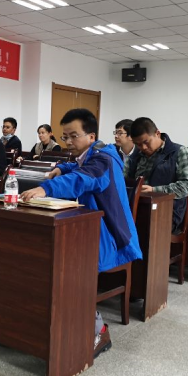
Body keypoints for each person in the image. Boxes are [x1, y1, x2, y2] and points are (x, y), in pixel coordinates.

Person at [21, 108, 142, 359]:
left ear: (91, 136)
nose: (68, 142)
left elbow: (85, 178)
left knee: (69, 267)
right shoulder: (90, 154)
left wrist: (46, 188)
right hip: (90, 229)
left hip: (111, 236)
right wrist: (62, 168)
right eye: (65, 137)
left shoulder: (104, 159)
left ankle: (98, 331)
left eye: (73, 136)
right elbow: (77, 167)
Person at [127, 117, 188, 232]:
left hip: (167, 211)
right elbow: (125, 179)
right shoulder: (136, 155)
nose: (143, 147)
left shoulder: (180, 152)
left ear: (157, 134)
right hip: (138, 208)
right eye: (138, 144)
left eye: (146, 142)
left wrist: (154, 190)